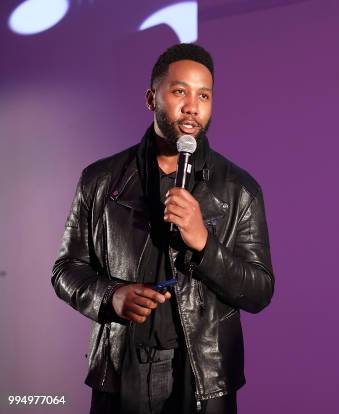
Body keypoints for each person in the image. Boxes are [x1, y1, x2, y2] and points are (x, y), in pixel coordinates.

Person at [51, 43, 274, 414]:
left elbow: (259, 291)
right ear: (151, 98)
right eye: (179, 91)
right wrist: (111, 296)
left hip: (203, 376)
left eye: (204, 95)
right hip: (120, 371)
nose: (192, 106)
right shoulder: (100, 179)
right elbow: (65, 270)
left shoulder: (239, 188)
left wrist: (204, 244)